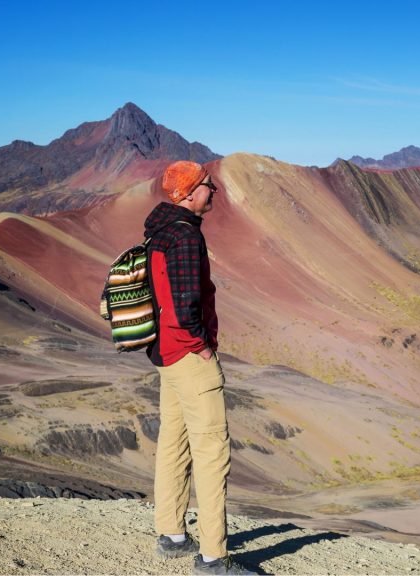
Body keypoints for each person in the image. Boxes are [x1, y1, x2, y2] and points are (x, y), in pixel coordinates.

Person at [144, 160, 250, 575]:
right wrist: (202, 347)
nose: (214, 192)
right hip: (188, 356)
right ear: (189, 193)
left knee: (174, 442)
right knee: (211, 453)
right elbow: (187, 300)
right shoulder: (185, 236)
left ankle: (171, 534)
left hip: (165, 354)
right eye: (209, 185)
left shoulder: (158, 230)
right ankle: (212, 559)